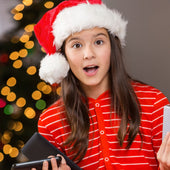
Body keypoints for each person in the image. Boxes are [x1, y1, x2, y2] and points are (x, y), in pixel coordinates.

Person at [33, 0, 170, 169]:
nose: (89, 54)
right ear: (63, 57)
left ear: (112, 47)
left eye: (98, 42)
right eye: (76, 45)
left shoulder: (154, 103)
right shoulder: (50, 122)